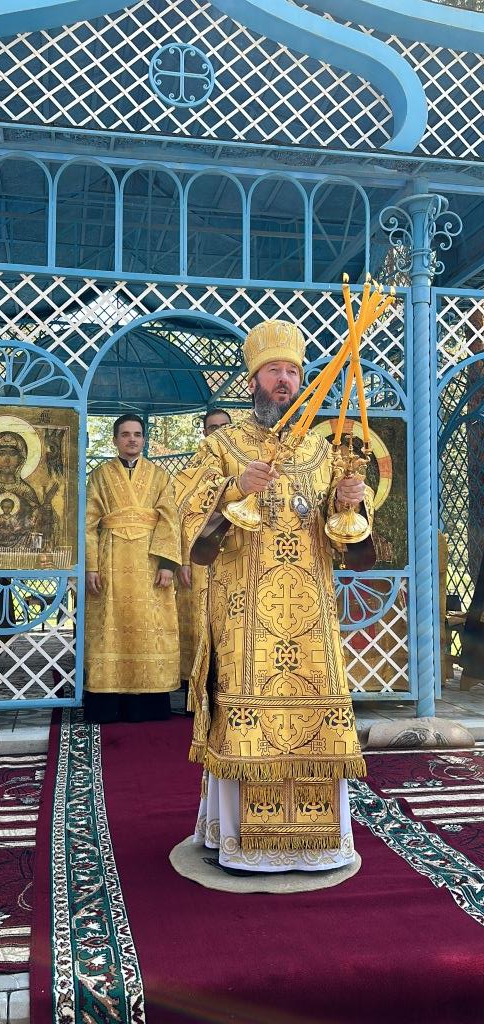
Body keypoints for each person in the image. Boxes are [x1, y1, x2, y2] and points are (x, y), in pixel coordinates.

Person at [175, 320, 373, 872]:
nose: (285, 380)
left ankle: (319, 845)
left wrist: (349, 501)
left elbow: (349, 544)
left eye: (292, 371)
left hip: (310, 617)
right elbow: (188, 521)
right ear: (253, 381)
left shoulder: (322, 450)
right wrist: (234, 489)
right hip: (244, 614)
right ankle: (240, 841)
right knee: (244, 714)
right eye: (273, 371)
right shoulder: (222, 445)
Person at [84, 414, 181, 723]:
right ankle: (107, 705)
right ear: (115, 440)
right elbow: (88, 523)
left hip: (149, 564)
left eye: (137, 434)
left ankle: (148, 705)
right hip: (110, 560)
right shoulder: (100, 475)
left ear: (144, 440)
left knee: (149, 628)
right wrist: (90, 566)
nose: (131, 439)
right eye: (125, 434)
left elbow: (170, 520)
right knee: (109, 628)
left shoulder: (159, 475)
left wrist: (167, 564)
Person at [176, 410, 233, 703]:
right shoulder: (195, 465)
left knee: (229, 624)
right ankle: (195, 692)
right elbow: (182, 514)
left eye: (225, 426)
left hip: (235, 558)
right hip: (199, 559)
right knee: (201, 623)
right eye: (213, 427)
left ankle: (227, 687)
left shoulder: (246, 460)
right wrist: (183, 561)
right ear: (204, 433)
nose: (219, 431)